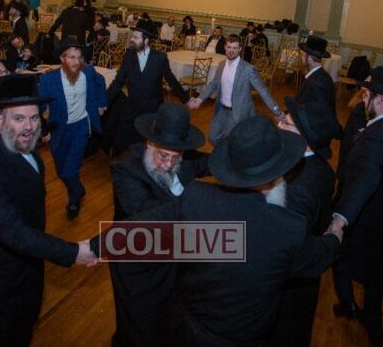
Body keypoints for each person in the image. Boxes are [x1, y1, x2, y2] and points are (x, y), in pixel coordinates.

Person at [94, 116, 344, 345]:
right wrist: (336, 231)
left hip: (189, 330)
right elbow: (320, 255)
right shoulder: (289, 228)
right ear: (278, 174)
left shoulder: (199, 200)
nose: (169, 163)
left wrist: (87, 248)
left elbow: (140, 232)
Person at [0, 74, 97, 346]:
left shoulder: (23, 145)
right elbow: (12, 231)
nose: (29, 126)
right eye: (19, 118)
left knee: (22, 324)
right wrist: (73, 252)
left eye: (34, 117)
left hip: (25, 259)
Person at [108, 102, 208, 347]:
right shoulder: (126, 169)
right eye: (163, 156)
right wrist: (202, 202)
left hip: (171, 257)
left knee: (169, 318)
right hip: (137, 263)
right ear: (149, 143)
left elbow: (212, 162)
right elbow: (146, 213)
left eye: (176, 157)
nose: (168, 164)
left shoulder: (183, 160)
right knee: (139, 325)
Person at [329, 67, 383, 347]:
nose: (364, 99)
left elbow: (367, 177)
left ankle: (348, 304)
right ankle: (373, 326)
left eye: (368, 95)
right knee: (375, 278)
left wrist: (340, 218)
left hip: (367, 215)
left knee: (340, 258)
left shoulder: (377, 134)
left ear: (380, 100)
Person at [270, 97, 338, 346]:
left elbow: (286, 247)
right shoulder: (322, 168)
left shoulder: (300, 188)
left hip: (288, 288)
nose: (279, 126)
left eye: (286, 123)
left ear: (304, 139)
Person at [39, 38, 107, 219]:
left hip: (81, 128)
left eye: (79, 57)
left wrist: (101, 103)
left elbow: (101, 82)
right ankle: (78, 189)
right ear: (62, 59)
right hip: (58, 130)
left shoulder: (88, 72)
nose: (76, 62)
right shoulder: (48, 80)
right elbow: (39, 107)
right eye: (71, 57)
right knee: (61, 171)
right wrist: (43, 130)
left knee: (70, 170)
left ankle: (74, 198)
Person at [106, 18, 189, 155]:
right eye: (132, 36)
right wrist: (104, 102)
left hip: (151, 110)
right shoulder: (128, 56)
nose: (131, 39)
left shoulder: (160, 58)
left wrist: (186, 99)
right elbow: (118, 82)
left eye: (135, 37)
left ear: (146, 41)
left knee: (150, 148)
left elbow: (171, 80)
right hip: (132, 107)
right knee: (121, 142)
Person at [188, 34, 283, 145]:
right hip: (221, 110)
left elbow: (263, 90)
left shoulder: (248, 69)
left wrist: (277, 111)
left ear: (240, 49)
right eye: (229, 47)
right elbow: (213, 84)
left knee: (231, 142)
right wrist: (199, 100)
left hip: (237, 113)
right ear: (225, 47)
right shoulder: (221, 65)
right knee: (213, 138)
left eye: (234, 48)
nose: (231, 51)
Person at [295, 34, 341, 143]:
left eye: (303, 55)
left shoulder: (317, 82)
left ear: (310, 59)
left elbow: (321, 114)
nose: (301, 58)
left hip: (315, 135)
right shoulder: (321, 75)